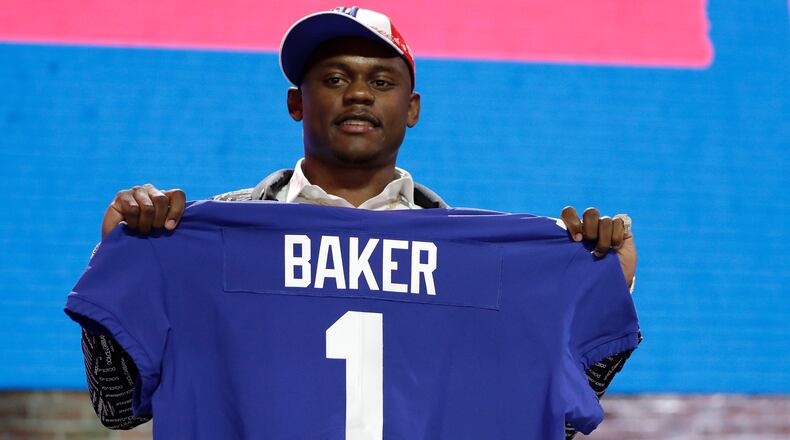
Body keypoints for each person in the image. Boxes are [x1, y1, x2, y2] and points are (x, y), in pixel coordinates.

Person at [81, 7, 638, 439]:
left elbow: (544, 421)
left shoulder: (484, 264)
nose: (357, 94)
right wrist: (122, 256)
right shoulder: (198, 238)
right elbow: (115, 405)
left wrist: (602, 282)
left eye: (381, 81)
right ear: (296, 102)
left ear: (412, 108)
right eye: (333, 78)